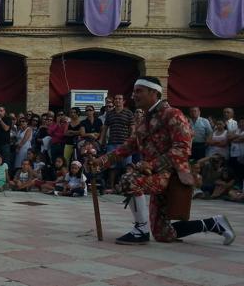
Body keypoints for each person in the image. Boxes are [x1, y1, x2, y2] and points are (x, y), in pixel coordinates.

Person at [89, 76, 235, 245]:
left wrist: (151, 164)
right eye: (134, 91)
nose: (133, 96)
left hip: (171, 175)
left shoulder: (173, 114)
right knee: (163, 234)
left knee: (129, 179)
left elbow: (182, 148)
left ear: (154, 93)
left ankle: (140, 230)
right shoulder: (145, 119)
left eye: (139, 91)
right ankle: (214, 223)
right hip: (154, 175)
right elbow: (128, 147)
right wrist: (100, 161)